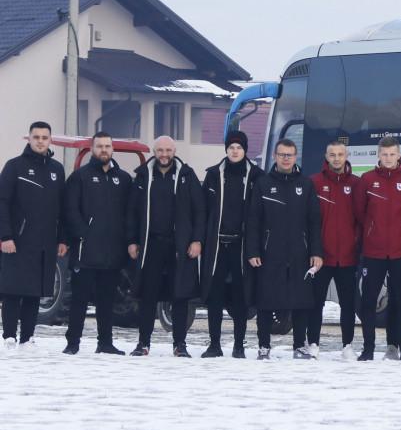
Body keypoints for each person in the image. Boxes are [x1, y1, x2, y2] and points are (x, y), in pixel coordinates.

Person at [245, 138, 323, 359]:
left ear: (295, 156)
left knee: (300, 302)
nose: (286, 159)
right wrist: (253, 251)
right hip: (270, 253)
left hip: (300, 252)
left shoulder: (306, 184)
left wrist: (316, 251)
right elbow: (253, 221)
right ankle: (263, 346)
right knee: (266, 301)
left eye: (289, 155)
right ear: (274, 156)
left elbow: (314, 221)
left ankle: (299, 346)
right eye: (282, 155)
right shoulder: (263, 183)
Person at [128, 135, 203, 357]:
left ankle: (180, 344)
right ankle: (143, 343)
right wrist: (132, 240)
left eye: (168, 150)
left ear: (174, 151)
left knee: (180, 296)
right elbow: (132, 213)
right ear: (154, 151)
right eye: (160, 150)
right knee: (147, 295)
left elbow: (200, 211)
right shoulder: (142, 176)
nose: (164, 155)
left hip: (179, 246)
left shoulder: (187, 176)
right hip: (150, 246)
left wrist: (197, 240)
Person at [62, 131, 130, 355]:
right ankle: (73, 343)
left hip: (112, 253)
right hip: (86, 251)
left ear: (112, 149)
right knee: (79, 300)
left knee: (106, 301)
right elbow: (70, 210)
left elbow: (130, 213)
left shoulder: (123, 179)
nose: (104, 150)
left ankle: (105, 342)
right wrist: (84, 234)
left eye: (107, 146)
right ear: (93, 149)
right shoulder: (79, 177)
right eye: (99, 146)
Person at [0, 122, 66, 348]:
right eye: (36, 137)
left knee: (34, 292)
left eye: (44, 137)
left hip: (45, 242)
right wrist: (5, 236)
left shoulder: (57, 169)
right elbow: (2, 202)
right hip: (16, 241)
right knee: (12, 290)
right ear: (28, 139)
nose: (40, 141)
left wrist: (62, 239)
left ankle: (28, 338)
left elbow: (62, 208)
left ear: (50, 140)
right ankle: (9, 336)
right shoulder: (14, 166)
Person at [199, 130, 263, 359]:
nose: (235, 151)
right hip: (217, 246)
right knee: (214, 296)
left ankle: (239, 345)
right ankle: (214, 344)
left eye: (239, 147)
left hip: (242, 246)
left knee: (241, 297)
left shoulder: (256, 177)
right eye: (231, 147)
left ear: (245, 150)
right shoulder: (214, 175)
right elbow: (203, 211)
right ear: (226, 150)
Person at [355, 136, 401, 361]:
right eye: (385, 155)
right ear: (378, 155)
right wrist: (372, 232)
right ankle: (368, 348)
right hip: (374, 252)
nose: (388, 158)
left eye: (392, 154)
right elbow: (360, 213)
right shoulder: (367, 179)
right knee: (369, 301)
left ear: (399, 155)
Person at [309, 139, 362, 360]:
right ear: (326, 156)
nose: (337, 159)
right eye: (332, 155)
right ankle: (312, 343)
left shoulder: (357, 184)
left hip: (348, 256)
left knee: (348, 304)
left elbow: (361, 219)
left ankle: (347, 345)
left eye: (340, 154)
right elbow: (310, 221)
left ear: (346, 156)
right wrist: (315, 250)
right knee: (315, 303)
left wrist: (356, 246)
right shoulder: (314, 182)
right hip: (322, 256)